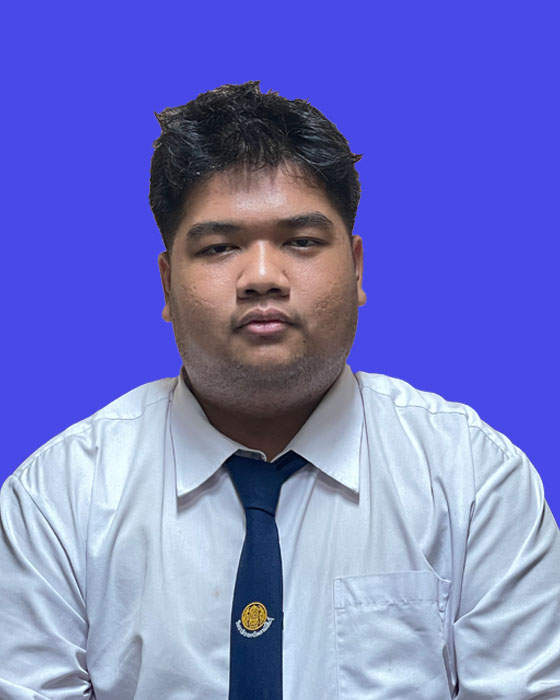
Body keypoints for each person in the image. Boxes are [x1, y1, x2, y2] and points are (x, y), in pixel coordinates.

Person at [0, 81, 558, 700]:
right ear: (166, 284)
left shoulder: (474, 479)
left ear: (356, 268)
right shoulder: (59, 499)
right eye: (219, 247)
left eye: (301, 242)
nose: (262, 277)